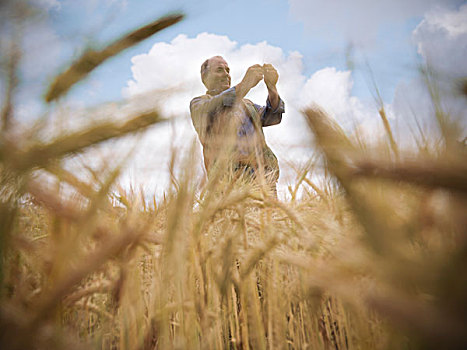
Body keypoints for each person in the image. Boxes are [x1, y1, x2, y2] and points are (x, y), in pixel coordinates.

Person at [190, 56, 285, 192]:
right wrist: (246, 83)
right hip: (228, 180)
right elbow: (220, 105)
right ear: (205, 77)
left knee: (268, 213)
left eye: (228, 70)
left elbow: (273, 117)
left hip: (262, 178)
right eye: (219, 70)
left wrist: (272, 87)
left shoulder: (248, 105)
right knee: (233, 214)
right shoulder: (199, 104)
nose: (226, 74)